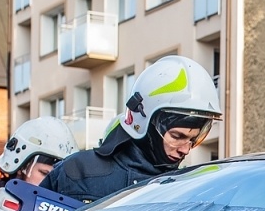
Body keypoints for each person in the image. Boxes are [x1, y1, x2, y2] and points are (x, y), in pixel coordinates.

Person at [44, 56, 220, 203]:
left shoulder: (186, 187)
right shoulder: (76, 171)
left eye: (193, 140)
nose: (186, 149)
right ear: (144, 121)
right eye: (176, 136)